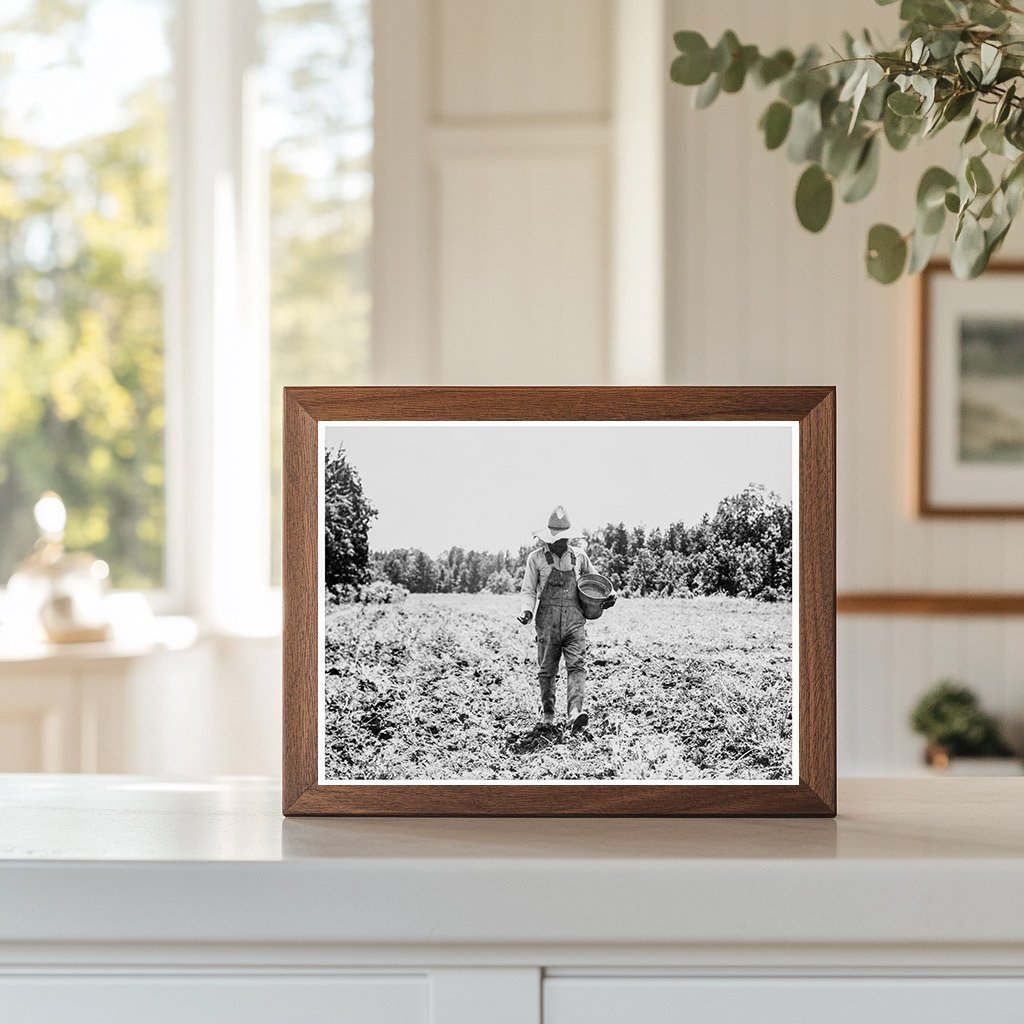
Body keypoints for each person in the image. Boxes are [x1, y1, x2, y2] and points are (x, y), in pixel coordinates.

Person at [517, 505, 616, 732]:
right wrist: (527, 610)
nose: (559, 543)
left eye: (563, 539)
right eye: (555, 539)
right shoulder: (536, 559)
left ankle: (574, 713)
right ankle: (548, 714)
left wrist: (610, 595)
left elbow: (596, 583)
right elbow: (529, 590)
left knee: (577, 666)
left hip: (574, 622)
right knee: (547, 670)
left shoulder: (579, 557)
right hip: (547, 623)